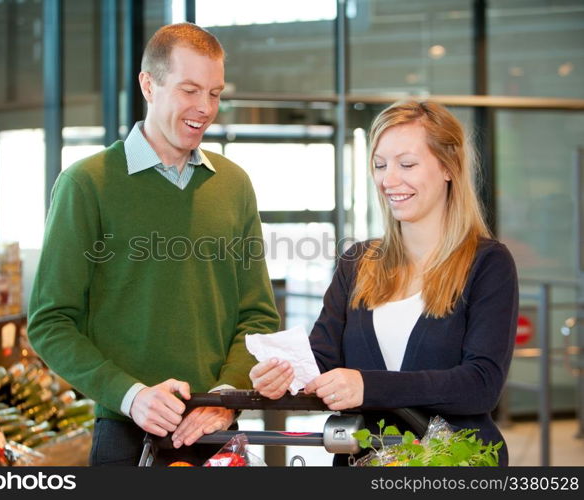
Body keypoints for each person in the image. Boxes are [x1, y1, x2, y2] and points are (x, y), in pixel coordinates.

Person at [28, 23, 280, 466]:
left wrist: (225, 396)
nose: (205, 108)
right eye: (190, 90)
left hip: (218, 432)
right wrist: (131, 396)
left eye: (215, 93)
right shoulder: (86, 185)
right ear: (149, 84)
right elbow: (51, 323)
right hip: (125, 435)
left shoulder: (234, 185)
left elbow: (257, 316)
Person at [250, 100, 518, 465]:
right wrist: (283, 374)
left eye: (406, 164)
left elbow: (481, 385)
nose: (389, 179)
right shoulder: (357, 262)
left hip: (454, 463)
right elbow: (322, 360)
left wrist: (367, 386)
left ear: (449, 167)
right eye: (380, 165)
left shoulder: (487, 263)